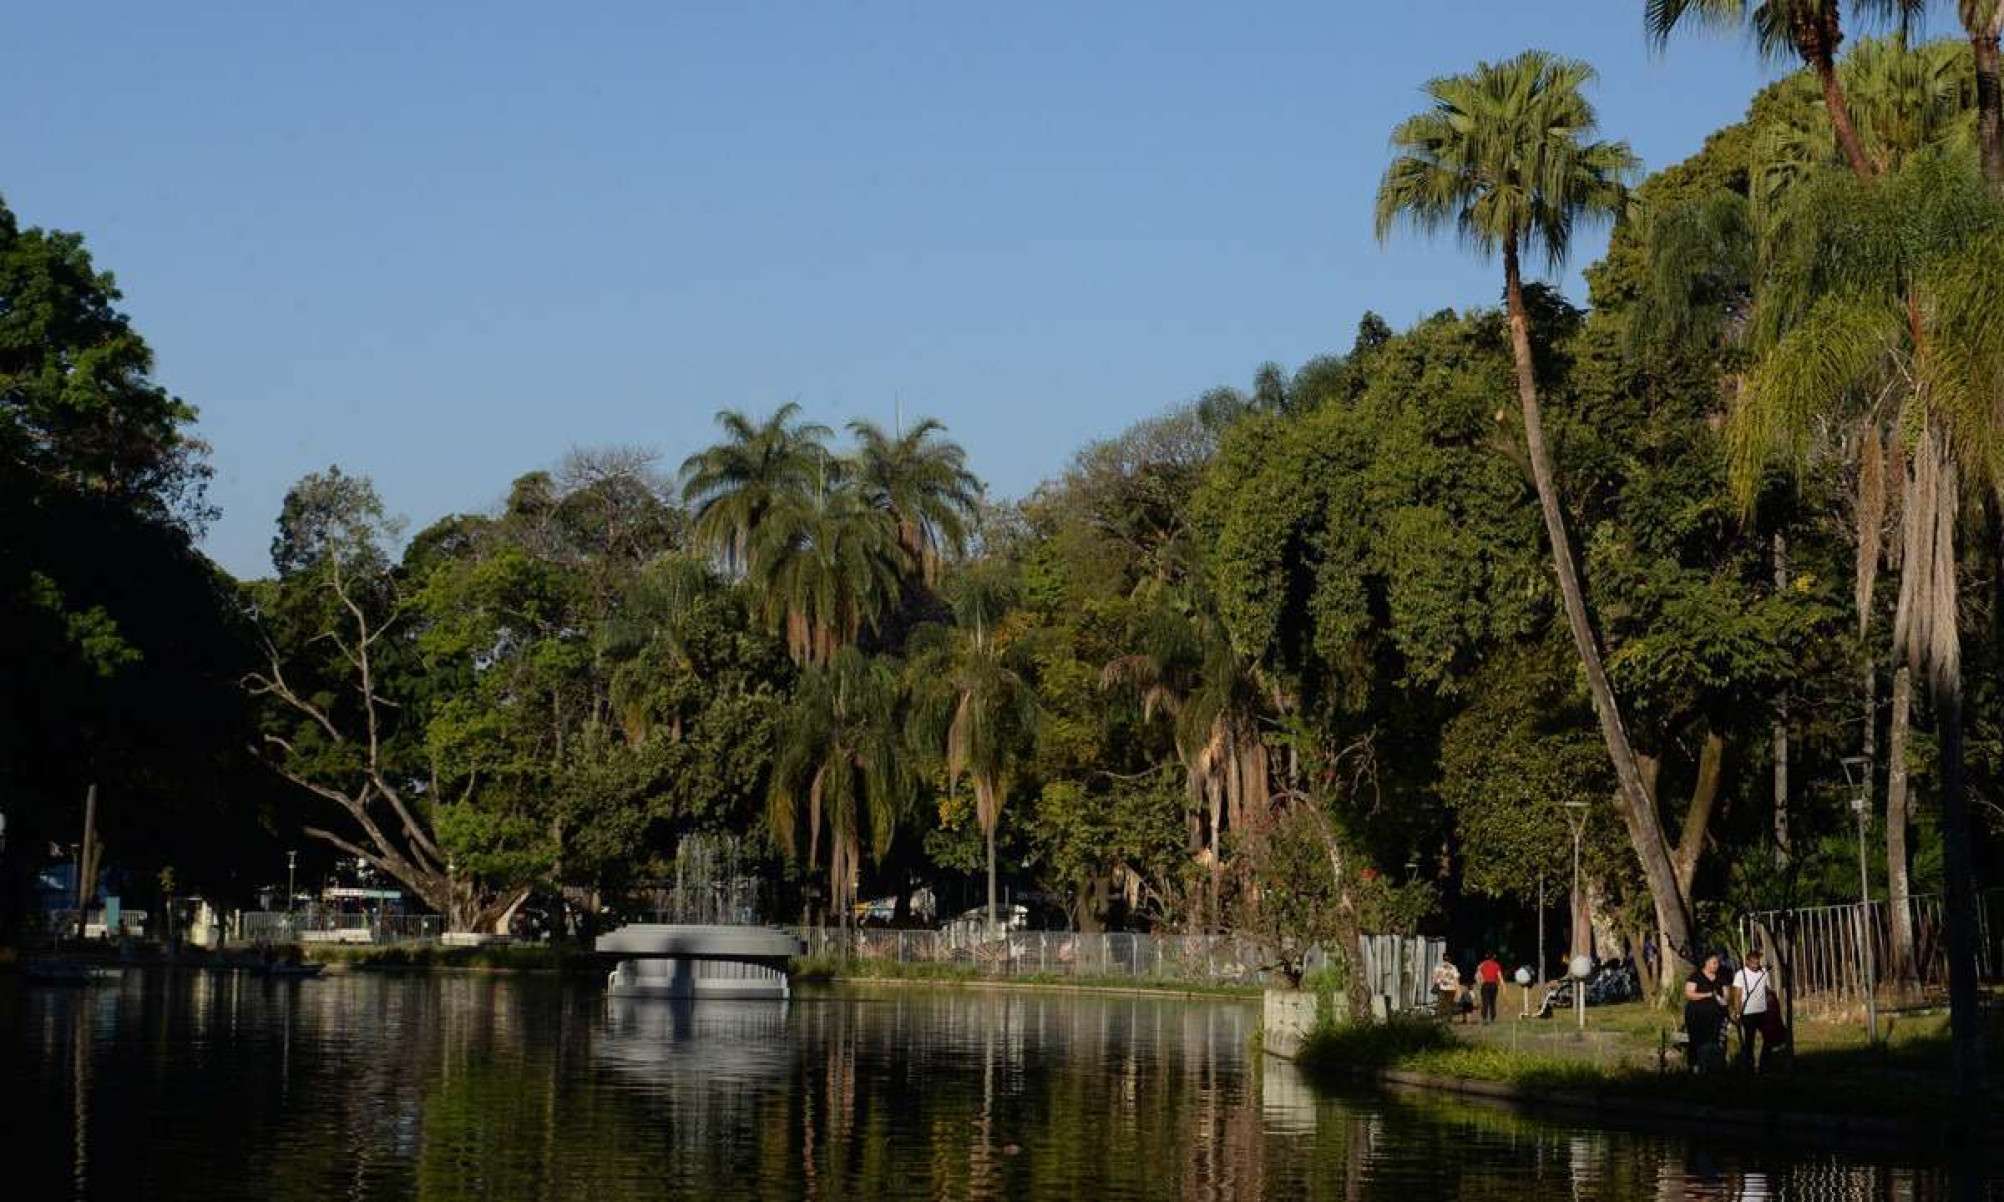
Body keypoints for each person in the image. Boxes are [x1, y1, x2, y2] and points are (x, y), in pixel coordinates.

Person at [1731, 948, 1777, 1072]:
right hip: (1747, 1012)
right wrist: (1737, 1011)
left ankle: (1764, 1063)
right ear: (1747, 961)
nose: (1756, 964)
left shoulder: (1763, 972)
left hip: (1762, 1011)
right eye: (1753, 961)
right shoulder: (1741, 974)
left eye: (1757, 961)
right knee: (1749, 1040)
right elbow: (1737, 995)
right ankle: (1749, 1064)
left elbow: (1767, 989)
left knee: (1769, 1037)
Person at [1683, 951, 1727, 1070]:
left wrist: (1723, 1000)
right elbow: (1689, 994)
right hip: (1696, 1015)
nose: (1717, 965)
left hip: (1716, 1017)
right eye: (1714, 963)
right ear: (1706, 963)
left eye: (1717, 963)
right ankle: (1694, 1065)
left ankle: (1712, 1065)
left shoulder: (1721, 978)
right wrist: (1707, 995)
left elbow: (1726, 996)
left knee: (1714, 1040)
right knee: (1697, 1039)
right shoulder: (1695, 976)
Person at [1475, 951, 1503, 1024]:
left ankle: (1484, 1019)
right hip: (1494, 985)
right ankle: (1492, 1018)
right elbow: (1499, 976)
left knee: (1485, 1002)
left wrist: (1480, 984)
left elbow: (1477, 976)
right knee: (1492, 1002)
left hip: (1485, 985)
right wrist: (1502, 985)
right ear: (1493, 957)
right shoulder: (1496, 965)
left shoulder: (1481, 965)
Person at [1432, 954, 1462, 1021]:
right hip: (1442, 988)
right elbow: (1434, 978)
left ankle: (1449, 1018)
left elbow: (1456, 979)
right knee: (1441, 1003)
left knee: (1449, 1004)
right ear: (1443, 960)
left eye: (1447, 960)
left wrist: (1458, 990)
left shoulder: (1453, 968)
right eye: (1445, 960)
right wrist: (1440, 981)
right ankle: (1440, 1018)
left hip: (1451, 988)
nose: (1446, 962)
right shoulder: (1439, 968)